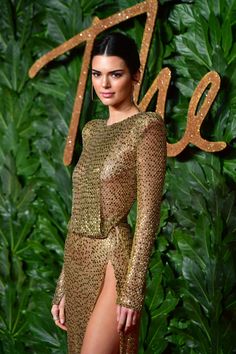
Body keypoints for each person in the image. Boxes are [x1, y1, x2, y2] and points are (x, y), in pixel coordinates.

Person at [51, 31, 166, 354]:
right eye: (97, 74)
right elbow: (79, 213)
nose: (105, 84)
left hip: (113, 258)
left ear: (135, 75)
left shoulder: (147, 127)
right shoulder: (92, 130)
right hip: (78, 259)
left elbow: (148, 216)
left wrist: (132, 291)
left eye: (115, 74)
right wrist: (63, 284)